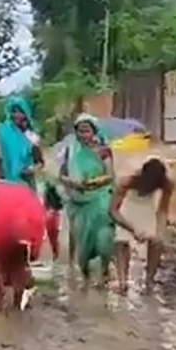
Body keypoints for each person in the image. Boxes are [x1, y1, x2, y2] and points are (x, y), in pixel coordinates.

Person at [60, 114, 117, 285]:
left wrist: (92, 183)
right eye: (80, 131)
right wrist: (71, 182)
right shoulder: (71, 151)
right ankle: (84, 279)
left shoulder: (103, 151)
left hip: (100, 199)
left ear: (94, 131)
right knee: (83, 249)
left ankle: (105, 271)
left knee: (104, 241)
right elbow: (61, 175)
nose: (83, 135)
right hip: (78, 204)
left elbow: (110, 176)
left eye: (87, 131)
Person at [0, 181, 46, 312]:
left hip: (3, 224)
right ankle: (17, 305)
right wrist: (33, 254)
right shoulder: (26, 194)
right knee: (20, 264)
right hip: (29, 225)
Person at [109, 157, 173, 288]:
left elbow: (162, 211)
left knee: (157, 241)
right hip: (128, 207)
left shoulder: (167, 184)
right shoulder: (127, 182)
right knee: (121, 240)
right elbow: (112, 211)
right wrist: (131, 229)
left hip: (147, 208)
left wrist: (159, 230)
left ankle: (149, 279)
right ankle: (122, 280)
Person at [0, 96, 44, 186]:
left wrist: (31, 170)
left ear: (27, 113)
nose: (17, 115)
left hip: (25, 185)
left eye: (21, 111)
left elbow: (40, 162)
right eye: (14, 111)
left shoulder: (32, 138)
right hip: (2, 184)